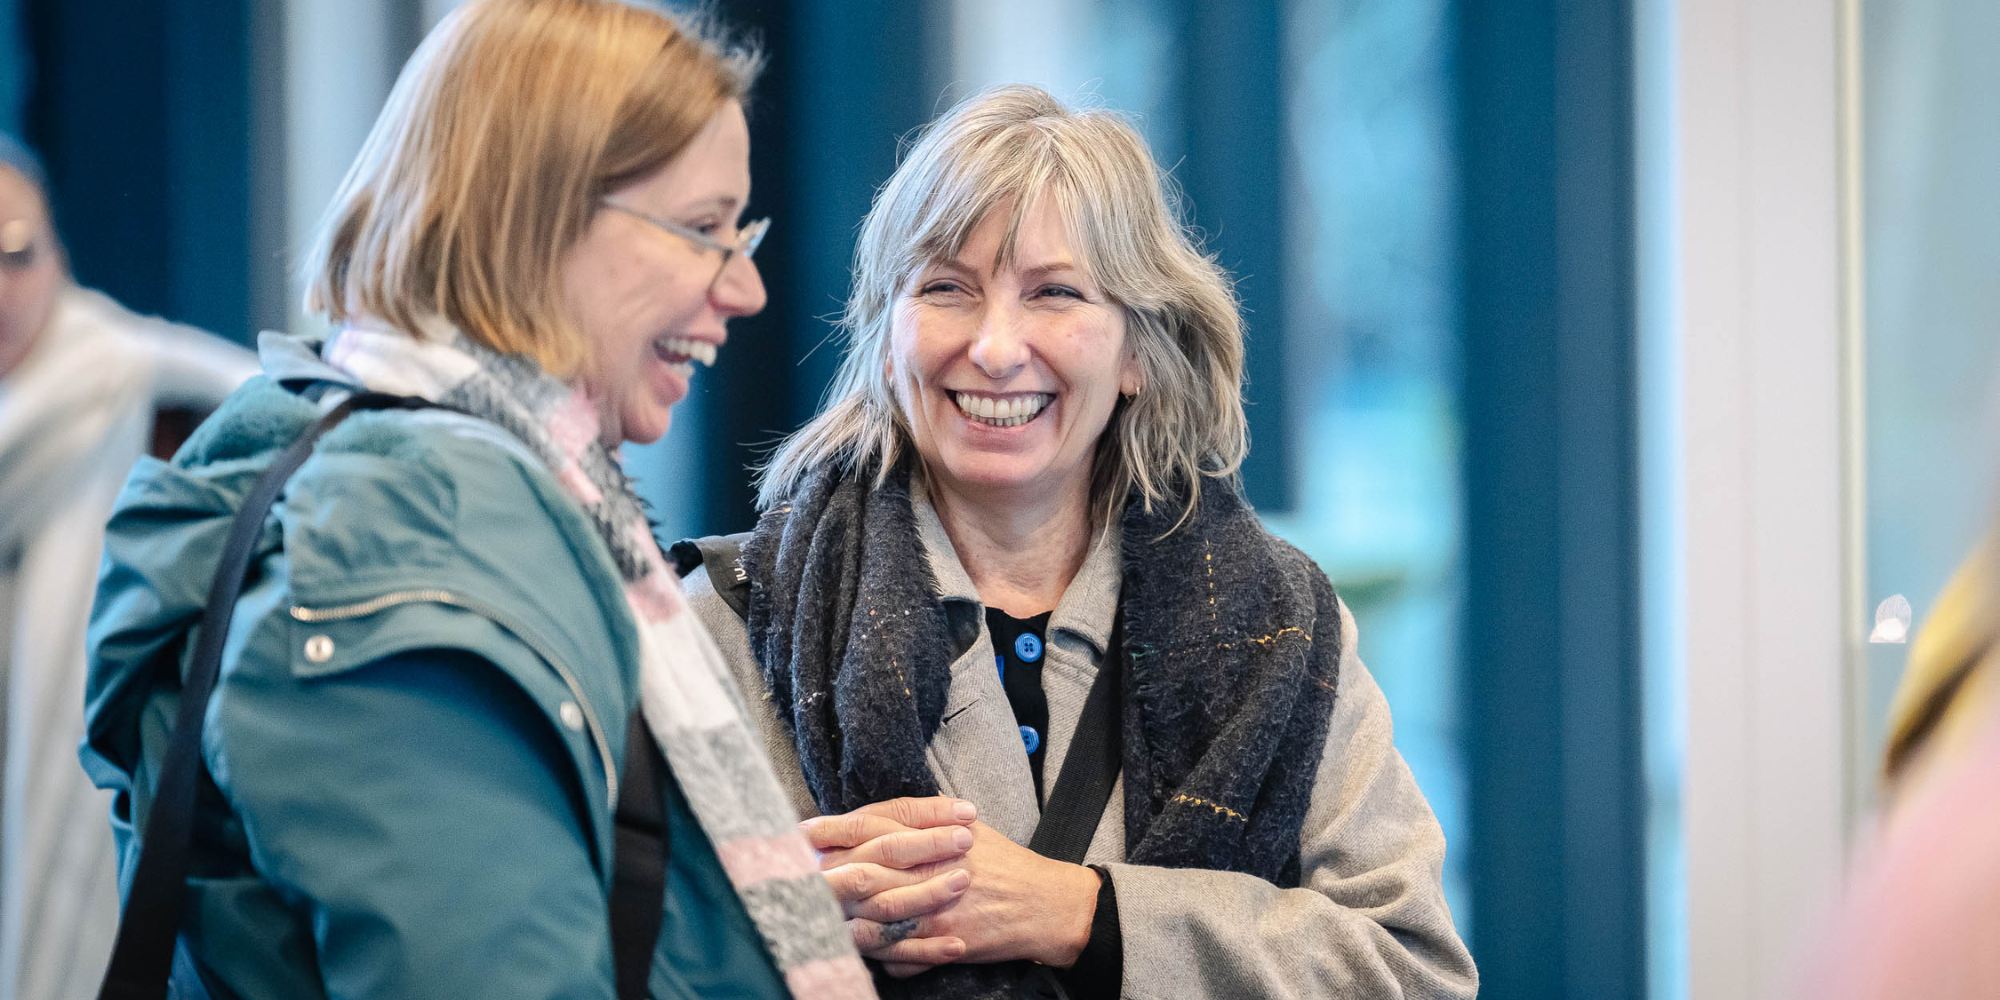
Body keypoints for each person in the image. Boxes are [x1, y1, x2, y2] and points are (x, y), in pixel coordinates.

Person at [81, 2, 872, 997]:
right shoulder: (414, 532)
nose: (743, 287)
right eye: (703, 228)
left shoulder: (392, 467)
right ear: (538, 217)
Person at [677, 85, 1478, 998]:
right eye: (946, 288)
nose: (995, 347)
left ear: (1139, 350)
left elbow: (1414, 972)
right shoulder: (729, 622)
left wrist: (1083, 915)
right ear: (887, 337)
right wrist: (779, 934)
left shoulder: (1283, 630)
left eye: (1054, 293)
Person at [0, 133, 255, 1000]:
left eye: (16, 252)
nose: (0, 287)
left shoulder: (153, 394)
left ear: (58, 255)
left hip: (112, 838)